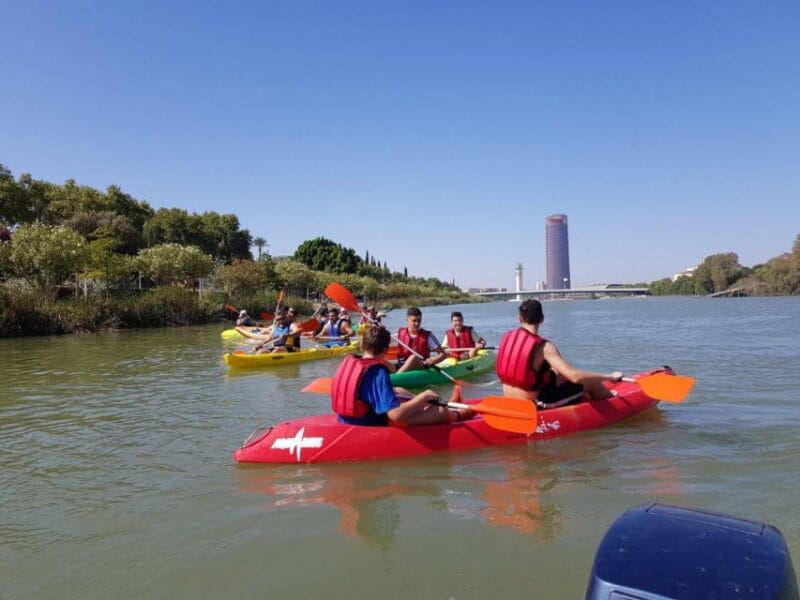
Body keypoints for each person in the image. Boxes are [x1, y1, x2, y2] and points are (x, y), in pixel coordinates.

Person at [331, 325, 473, 426]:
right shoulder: (377, 372)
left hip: (346, 418)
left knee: (398, 390)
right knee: (440, 411)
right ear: (386, 350)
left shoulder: (352, 361)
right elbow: (395, 415)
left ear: (362, 345)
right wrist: (423, 397)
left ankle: (449, 405)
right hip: (367, 422)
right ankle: (457, 414)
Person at [496, 299, 623, 408]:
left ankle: (579, 396)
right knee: (592, 383)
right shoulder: (545, 347)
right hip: (534, 404)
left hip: (510, 398)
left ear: (520, 318)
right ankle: (615, 402)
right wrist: (610, 376)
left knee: (557, 374)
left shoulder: (507, 337)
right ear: (542, 319)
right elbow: (575, 377)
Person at [394, 307, 447, 373]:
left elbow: (443, 354)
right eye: (414, 321)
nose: (417, 323)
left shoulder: (428, 336)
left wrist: (432, 360)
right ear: (407, 319)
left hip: (420, 365)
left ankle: (396, 377)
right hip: (402, 364)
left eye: (419, 320)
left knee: (413, 357)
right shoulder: (399, 333)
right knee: (384, 363)